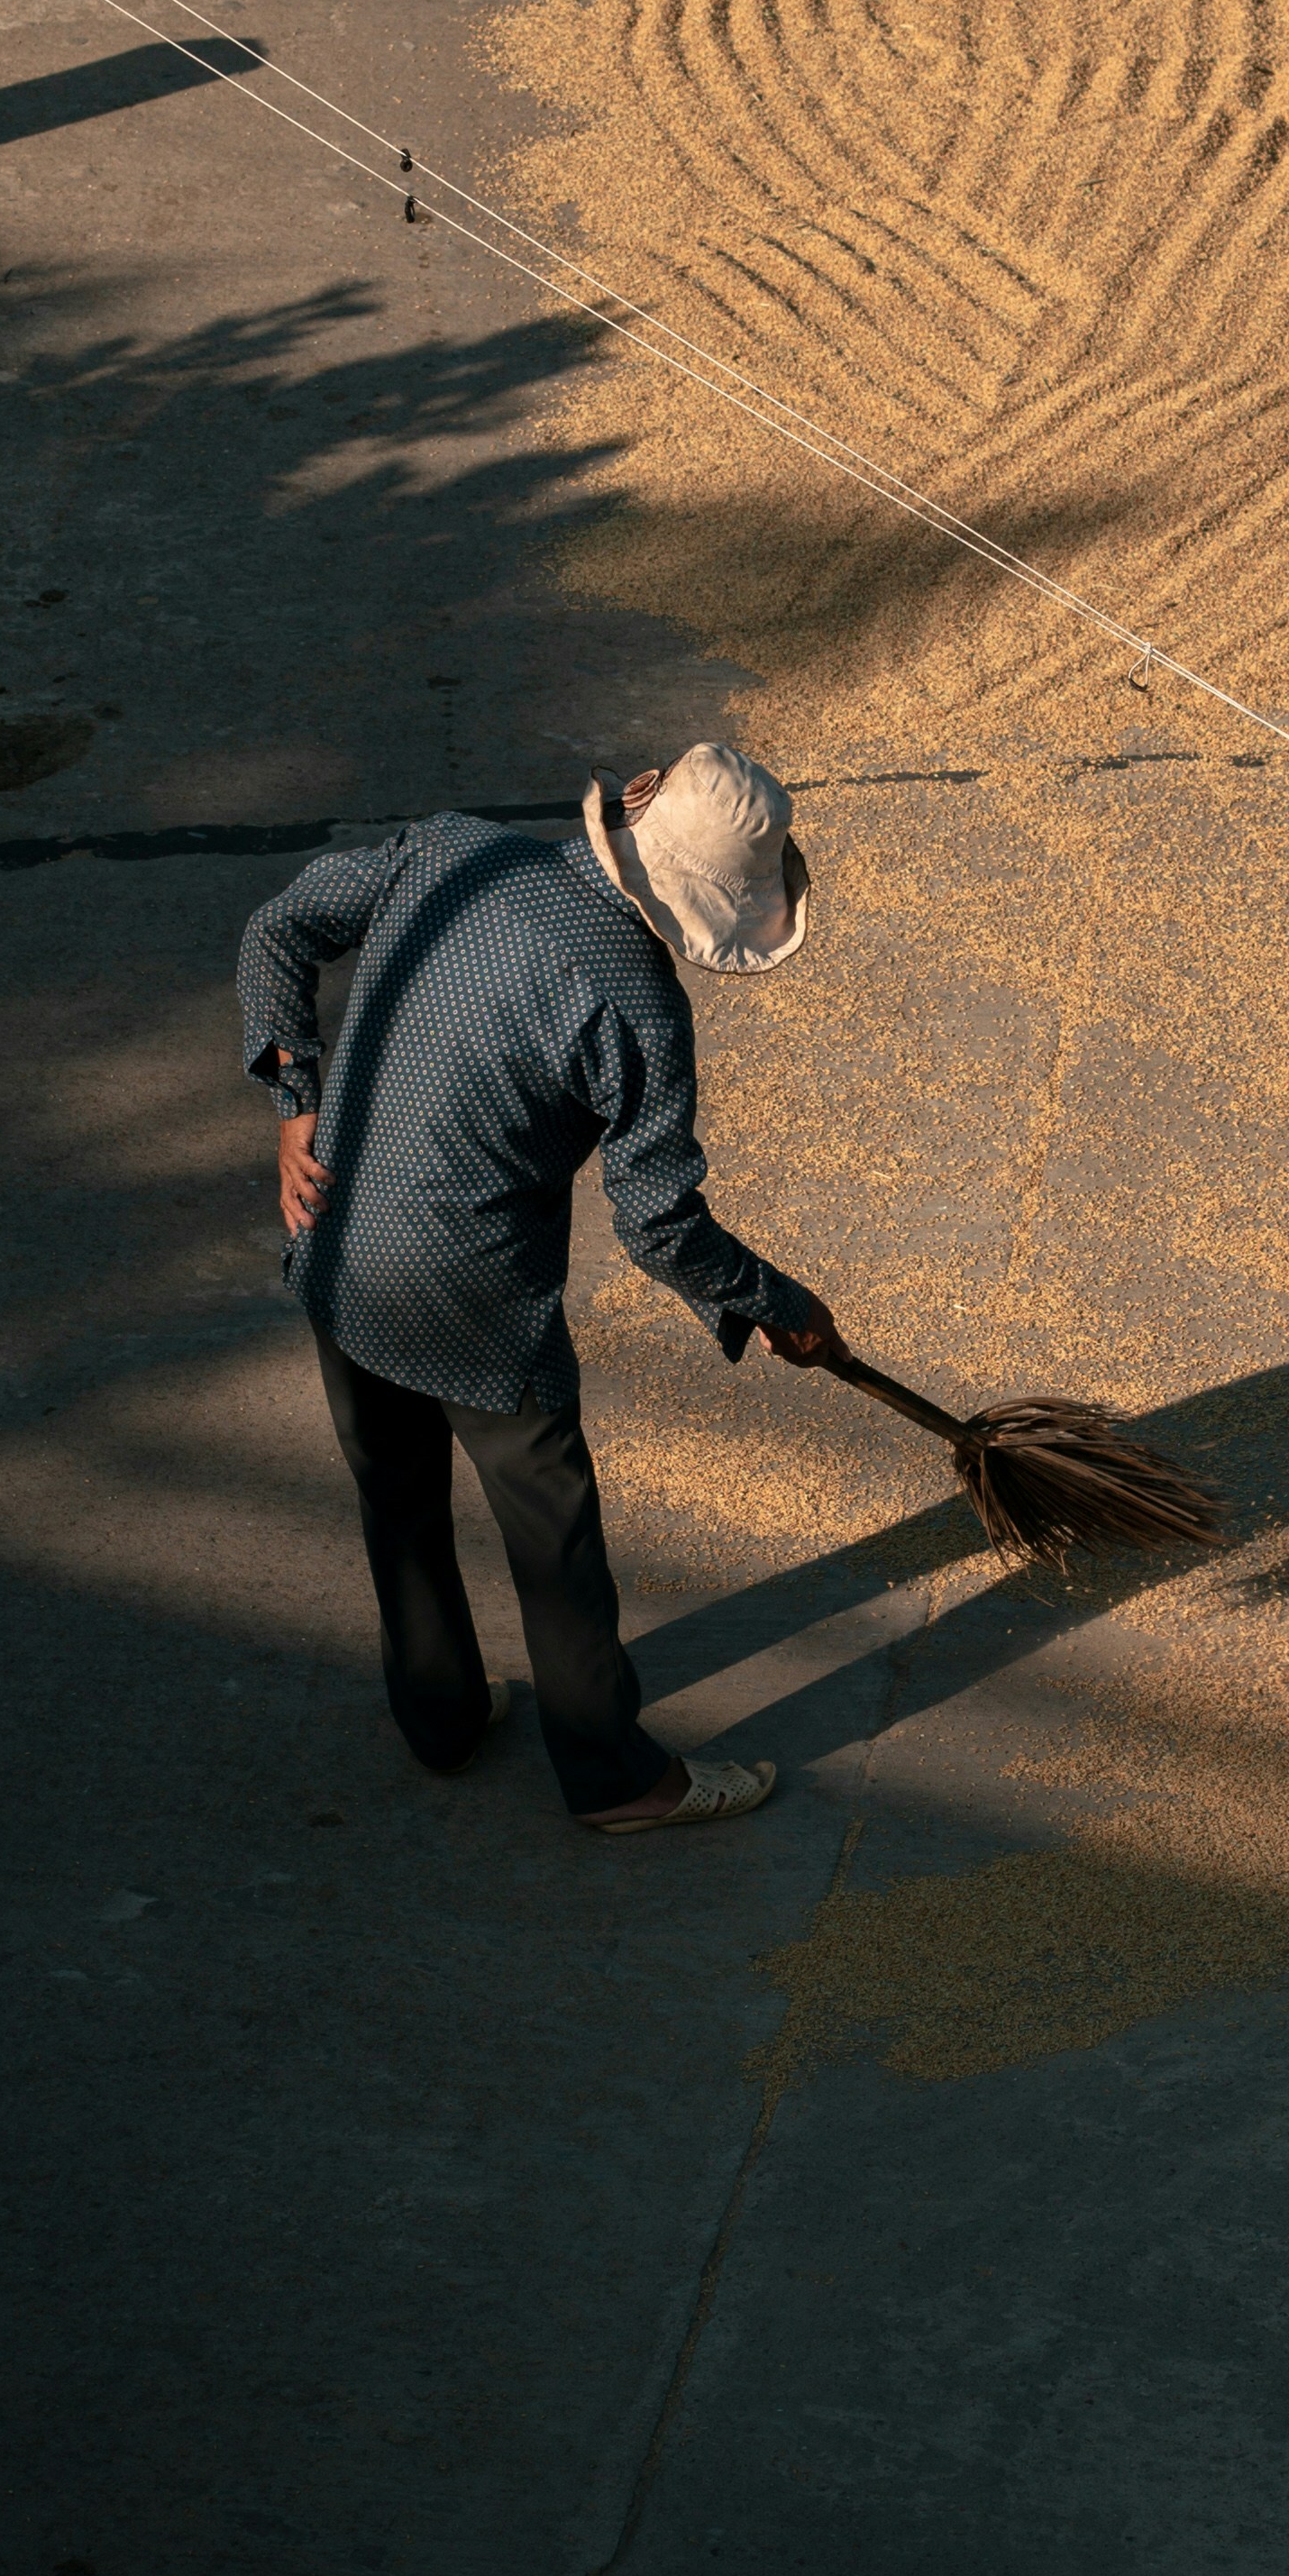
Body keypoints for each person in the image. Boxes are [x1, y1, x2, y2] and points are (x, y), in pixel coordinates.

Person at [236, 745, 842, 1833]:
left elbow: (278, 926)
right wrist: (774, 1300)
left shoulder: (451, 851)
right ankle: (616, 1781)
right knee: (553, 1541)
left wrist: (294, 1096)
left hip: (337, 1248)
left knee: (400, 1504)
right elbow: (660, 1225)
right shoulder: (638, 1011)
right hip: (476, 1310)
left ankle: (442, 1719)